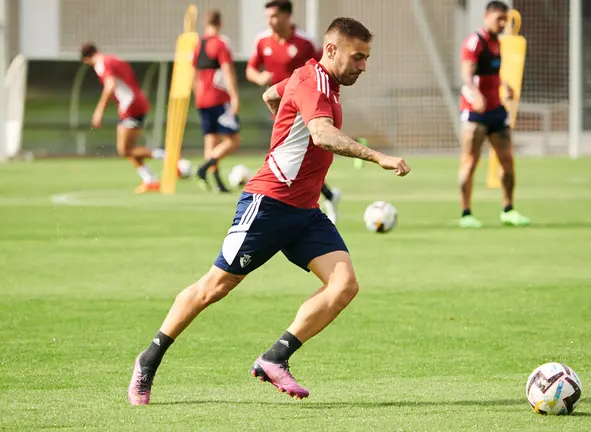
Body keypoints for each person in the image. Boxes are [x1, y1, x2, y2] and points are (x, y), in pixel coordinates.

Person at [128, 17, 411, 406]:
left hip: (305, 212)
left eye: (366, 58)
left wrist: (287, 125)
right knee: (214, 287)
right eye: (357, 57)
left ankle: (276, 357)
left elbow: (271, 96)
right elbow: (323, 134)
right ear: (331, 50)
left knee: (344, 285)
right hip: (269, 204)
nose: (363, 66)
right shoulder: (314, 82)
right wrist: (376, 155)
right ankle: (148, 359)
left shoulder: (311, 78)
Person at [246, 0, 342, 224]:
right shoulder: (262, 41)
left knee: (296, 158)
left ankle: (300, 205)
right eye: (267, 16)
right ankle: (327, 196)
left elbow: (323, 68)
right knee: (292, 159)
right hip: (278, 107)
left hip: (305, 109)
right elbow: (251, 68)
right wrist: (259, 77)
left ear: (287, 16)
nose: (270, 21)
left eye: (274, 16)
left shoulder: (304, 42)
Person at [458, 0, 530, 228]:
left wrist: (506, 85)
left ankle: (508, 210)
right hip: (475, 113)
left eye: (505, 20)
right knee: (470, 163)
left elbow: (492, 73)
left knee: (507, 161)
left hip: (496, 111)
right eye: (499, 19)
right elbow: (467, 75)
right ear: (487, 17)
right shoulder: (474, 42)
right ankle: (466, 213)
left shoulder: (497, 42)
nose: (503, 24)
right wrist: (475, 94)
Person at [81, 43, 164, 193]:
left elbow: (110, 85)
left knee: (124, 149)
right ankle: (150, 179)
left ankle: (170, 158)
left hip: (130, 105)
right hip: (135, 102)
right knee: (130, 149)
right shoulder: (114, 59)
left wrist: (99, 110)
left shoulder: (101, 64)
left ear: (86, 59)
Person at [192, 9, 241, 193]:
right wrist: (235, 97)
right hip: (219, 98)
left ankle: (218, 183)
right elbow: (227, 72)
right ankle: (204, 168)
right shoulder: (221, 44)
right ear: (220, 23)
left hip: (202, 99)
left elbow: (193, 74)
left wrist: (197, 94)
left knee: (211, 141)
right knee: (233, 140)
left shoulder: (198, 45)